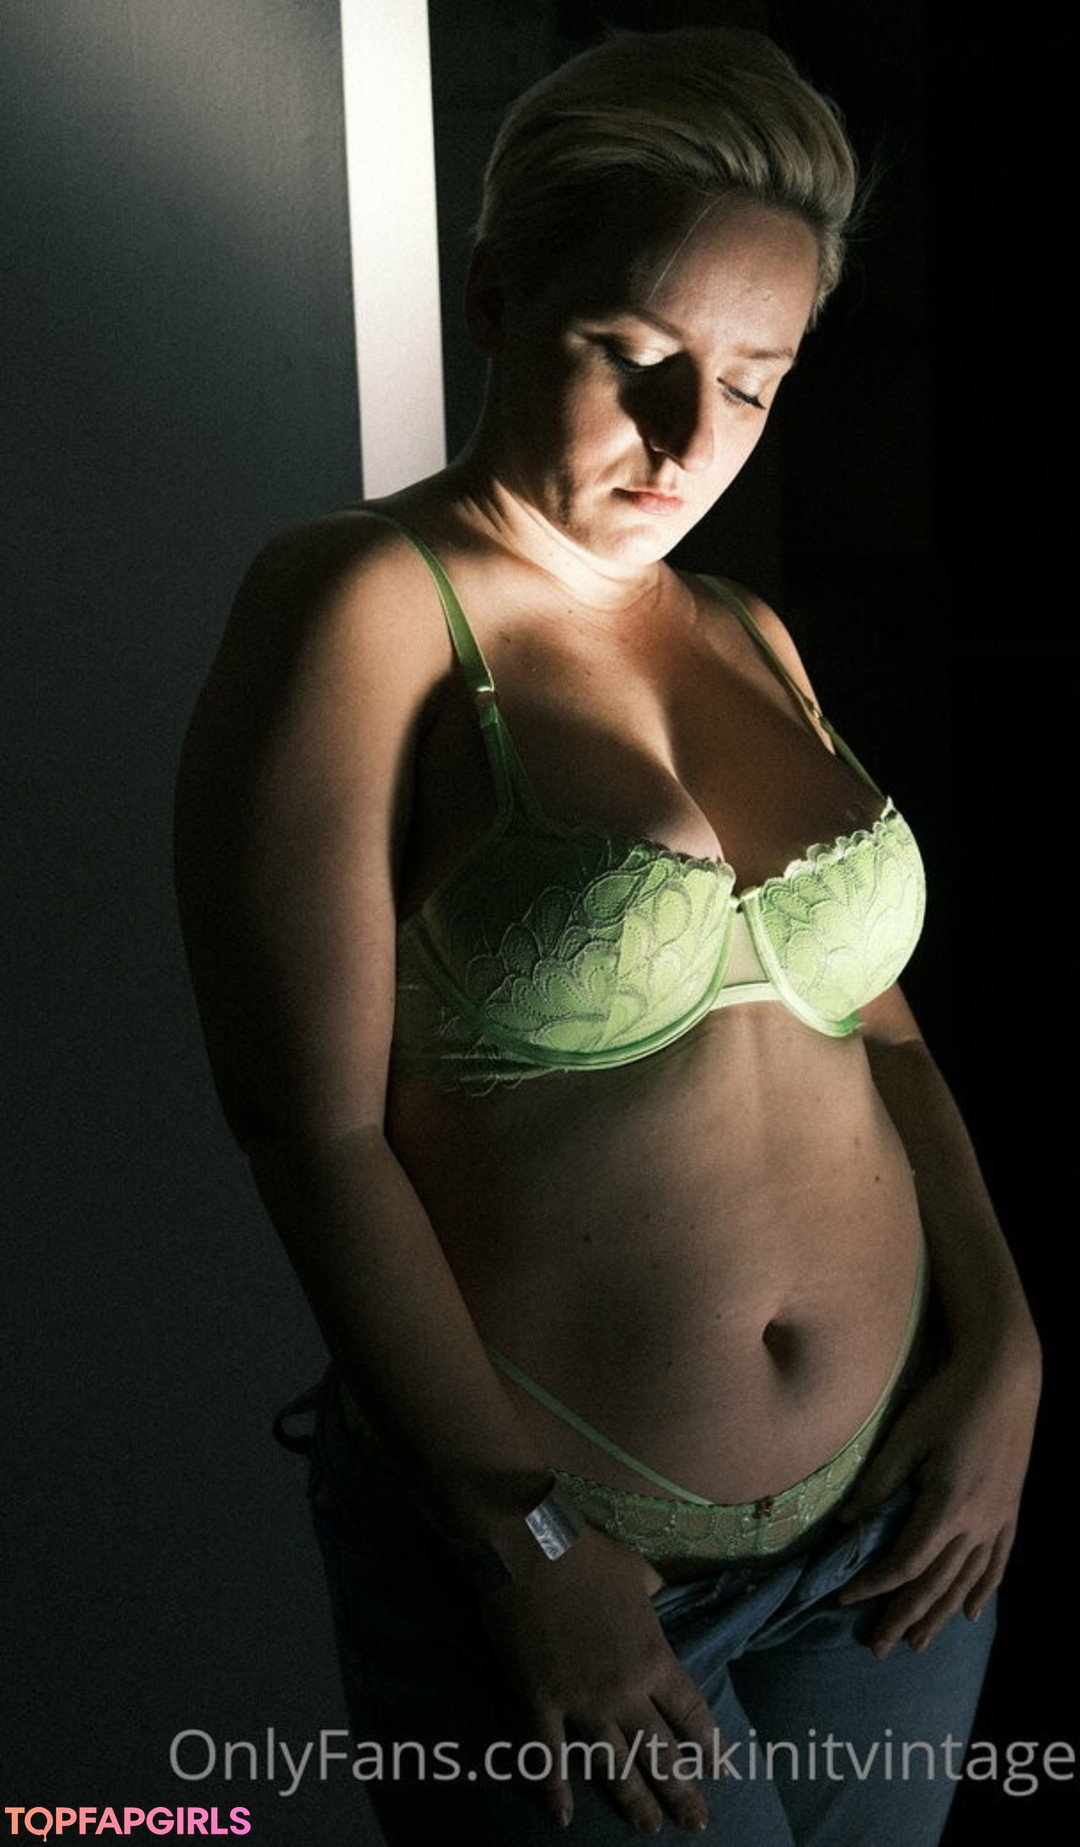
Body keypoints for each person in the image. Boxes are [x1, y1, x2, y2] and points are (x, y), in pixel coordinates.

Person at [173, 25, 1040, 1845]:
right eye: (636, 358)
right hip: (578, 1573)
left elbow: (878, 1036)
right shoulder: (359, 608)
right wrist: (530, 1548)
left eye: (752, 384)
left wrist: (1008, 1350)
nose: (688, 439)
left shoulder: (744, 630)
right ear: (496, 301)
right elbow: (309, 1137)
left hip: (892, 1540)